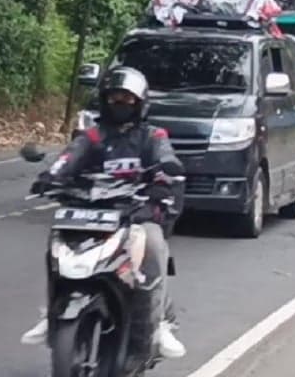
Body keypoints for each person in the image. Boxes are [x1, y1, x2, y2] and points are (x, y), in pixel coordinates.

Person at [21, 66, 187, 359]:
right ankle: (52, 315)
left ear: (140, 102)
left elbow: (166, 159)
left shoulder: (152, 136)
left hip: (136, 213)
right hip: (92, 212)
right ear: (103, 100)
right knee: (57, 245)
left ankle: (160, 323)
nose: (120, 104)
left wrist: (162, 184)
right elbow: (69, 158)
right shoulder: (94, 137)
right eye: (114, 98)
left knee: (152, 242)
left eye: (127, 98)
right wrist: (51, 177)